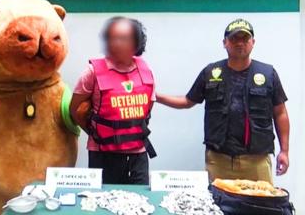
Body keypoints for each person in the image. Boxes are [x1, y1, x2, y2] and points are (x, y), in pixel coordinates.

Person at [156, 19, 289, 183]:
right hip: (219, 160)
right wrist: (155, 97)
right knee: (217, 207)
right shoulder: (211, 72)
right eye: (234, 38)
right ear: (225, 43)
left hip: (257, 161)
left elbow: (280, 113)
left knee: (259, 206)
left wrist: (284, 151)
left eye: (245, 39)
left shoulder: (268, 73)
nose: (240, 43)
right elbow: (187, 101)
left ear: (253, 42)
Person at [70, 17, 157, 185]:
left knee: (138, 203)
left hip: (137, 152)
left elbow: (147, 108)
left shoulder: (146, 71)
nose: (117, 44)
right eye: (112, 38)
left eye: (124, 39)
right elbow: (75, 110)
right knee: (103, 205)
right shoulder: (92, 72)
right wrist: (96, 132)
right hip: (103, 153)